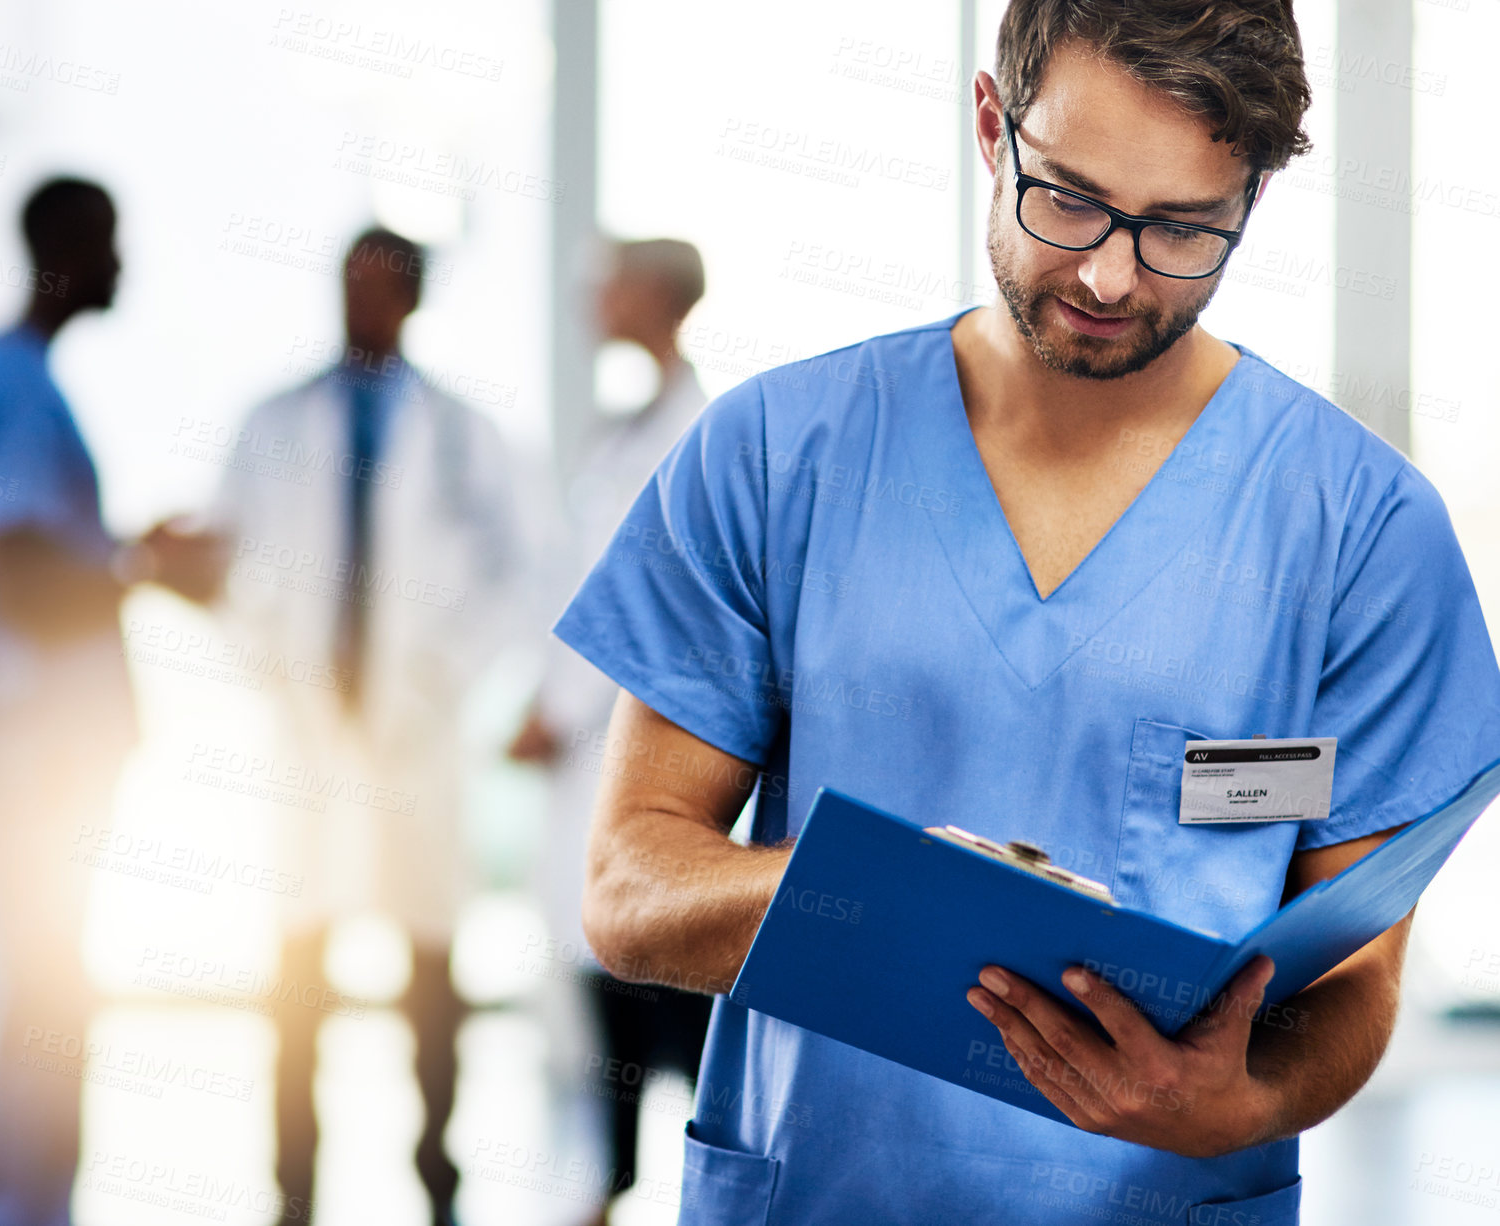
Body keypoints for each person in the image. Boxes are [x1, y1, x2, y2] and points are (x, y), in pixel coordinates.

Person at [550, 4, 1500, 1223]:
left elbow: (1358, 980)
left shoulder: (1363, 531)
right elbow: (629, 887)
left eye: (1181, 231)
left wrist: (1241, 1102)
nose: (1111, 273)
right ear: (995, 124)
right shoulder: (778, 456)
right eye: (1073, 199)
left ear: (1251, 195)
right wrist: (883, 900)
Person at [0, 176, 222, 1226]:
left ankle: (28, 1203)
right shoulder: (10, 387)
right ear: (66, 249)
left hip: (23, 752)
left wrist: (128, 554)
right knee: (43, 1000)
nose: (124, 265)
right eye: (111, 243)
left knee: (41, 998)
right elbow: (21, 573)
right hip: (28, 758)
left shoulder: (4, 378)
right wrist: (145, 563)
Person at [212, 227, 521, 1226]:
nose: (365, 302)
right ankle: (291, 1183)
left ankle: (437, 1173)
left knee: (431, 964)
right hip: (309, 732)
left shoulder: (464, 435)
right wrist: (279, 672)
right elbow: (228, 569)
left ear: (415, 298)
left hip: (416, 737)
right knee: (296, 962)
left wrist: (440, 678)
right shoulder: (273, 423)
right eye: (351, 283)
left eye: (384, 286)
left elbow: (518, 573)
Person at [507, 238, 712, 1221]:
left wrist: (556, 712)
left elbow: (634, 601)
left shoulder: (687, 431)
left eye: (613, 278)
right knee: (606, 967)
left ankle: (638, 1182)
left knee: (652, 966)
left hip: (624, 736)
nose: (596, 293)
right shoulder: (631, 427)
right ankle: (612, 1179)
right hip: (587, 737)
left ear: (656, 299)